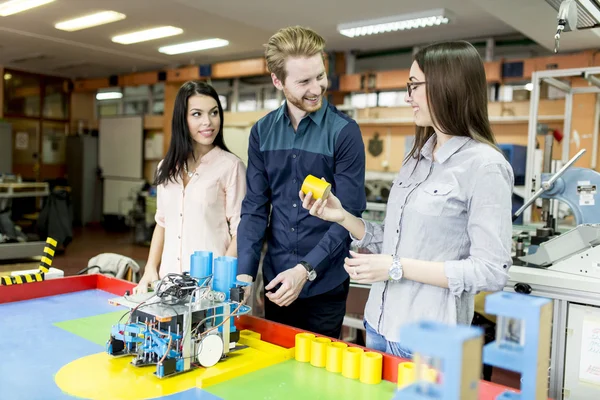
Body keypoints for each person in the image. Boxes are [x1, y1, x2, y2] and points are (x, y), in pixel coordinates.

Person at [301, 41, 513, 357]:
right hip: (377, 325)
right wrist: (342, 216)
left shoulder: (484, 165)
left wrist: (396, 267)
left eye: (413, 86)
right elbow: (394, 242)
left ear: (447, 86)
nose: (406, 96)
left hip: (427, 340)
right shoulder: (415, 159)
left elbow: (490, 271)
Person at [236, 26, 366, 339]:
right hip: (276, 281)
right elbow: (255, 208)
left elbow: (349, 216)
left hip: (324, 283)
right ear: (277, 81)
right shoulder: (262, 133)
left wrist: (305, 269)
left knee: (317, 378)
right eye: (304, 81)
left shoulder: (344, 133)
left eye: (320, 76)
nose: (316, 88)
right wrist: (244, 276)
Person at [134, 81, 246, 294]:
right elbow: (162, 223)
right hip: (169, 284)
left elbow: (240, 231)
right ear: (182, 120)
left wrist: (218, 281)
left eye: (214, 113)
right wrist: (150, 268)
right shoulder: (165, 167)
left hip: (209, 287)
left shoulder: (231, 166)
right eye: (197, 114)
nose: (208, 122)